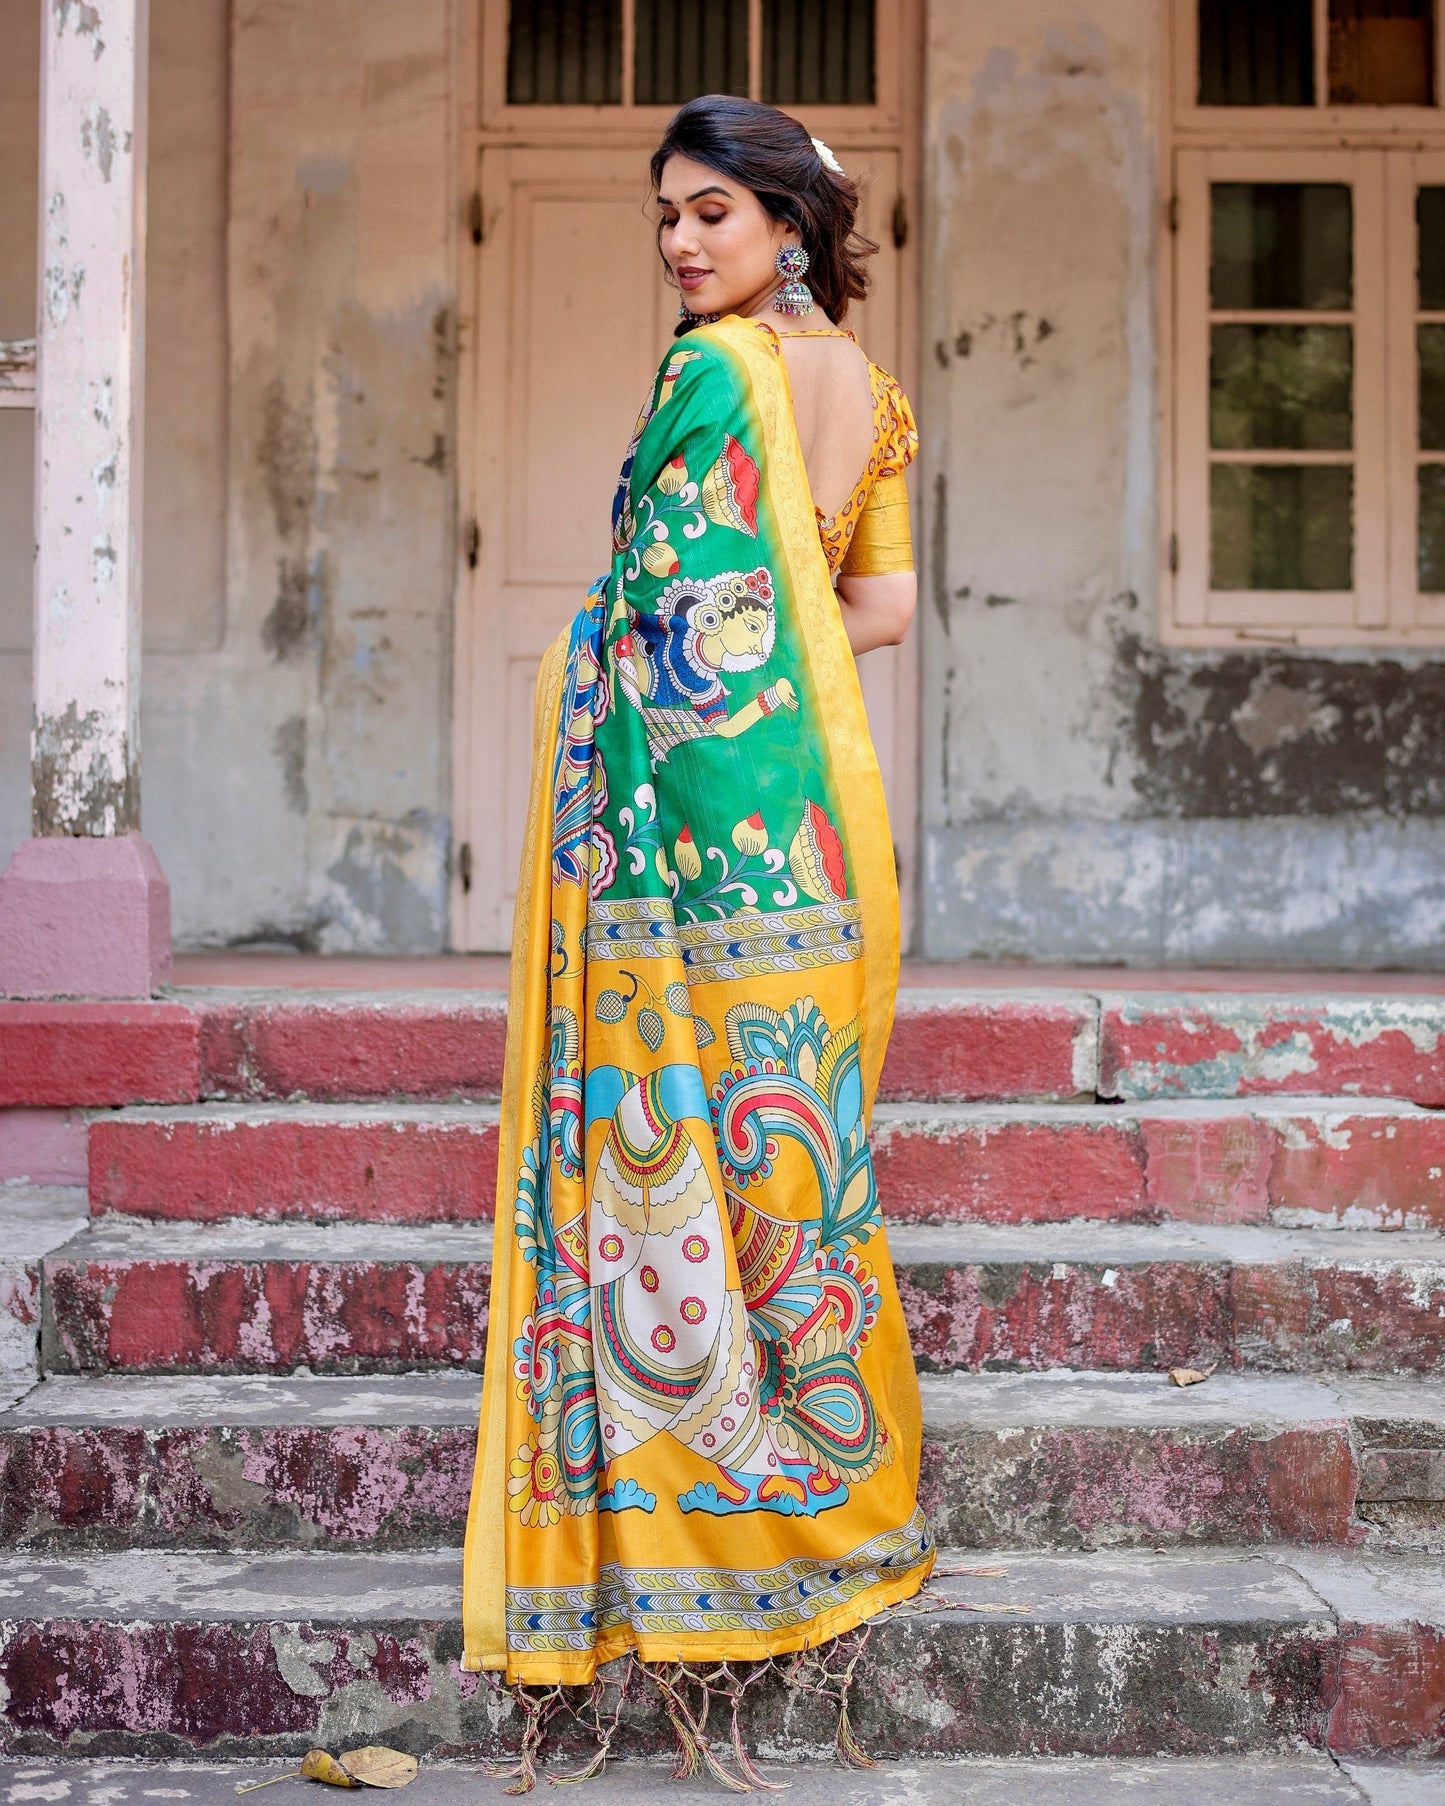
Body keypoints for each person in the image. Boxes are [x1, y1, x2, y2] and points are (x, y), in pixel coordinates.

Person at [460, 91, 931, 1780]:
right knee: (784, 1152)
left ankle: (685, 1508)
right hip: (810, 813)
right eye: (665, 217)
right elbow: (866, 608)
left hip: (685, 828)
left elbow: (663, 607)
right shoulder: (870, 396)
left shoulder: (709, 374)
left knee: (664, 1149)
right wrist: (757, 648)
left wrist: (606, 657)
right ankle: (817, 1465)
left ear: (787, 225)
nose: (680, 244)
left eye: (712, 214)